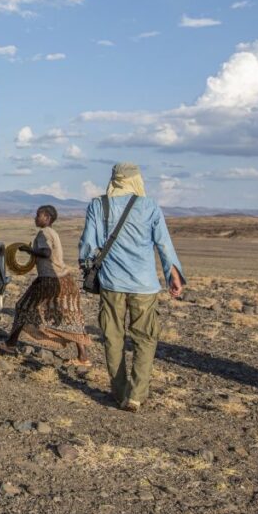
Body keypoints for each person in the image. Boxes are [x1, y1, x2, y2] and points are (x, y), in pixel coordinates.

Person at [78, 163, 185, 413]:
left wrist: (87, 266)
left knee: (112, 337)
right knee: (145, 339)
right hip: (144, 286)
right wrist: (174, 275)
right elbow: (163, 244)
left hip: (111, 283)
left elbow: (87, 245)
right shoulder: (149, 206)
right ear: (136, 180)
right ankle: (136, 395)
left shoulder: (97, 205)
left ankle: (118, 392)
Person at [0, 205, 90, 366]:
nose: (35, 218)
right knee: (70, 315)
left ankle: (10, 344)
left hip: (49, 280)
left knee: (23, 307)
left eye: (38, 215)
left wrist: (29, 250)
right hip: (65, 280)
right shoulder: (53, 232)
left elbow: (46, 253)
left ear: (47, 217)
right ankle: (83, 357)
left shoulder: (44, 233)